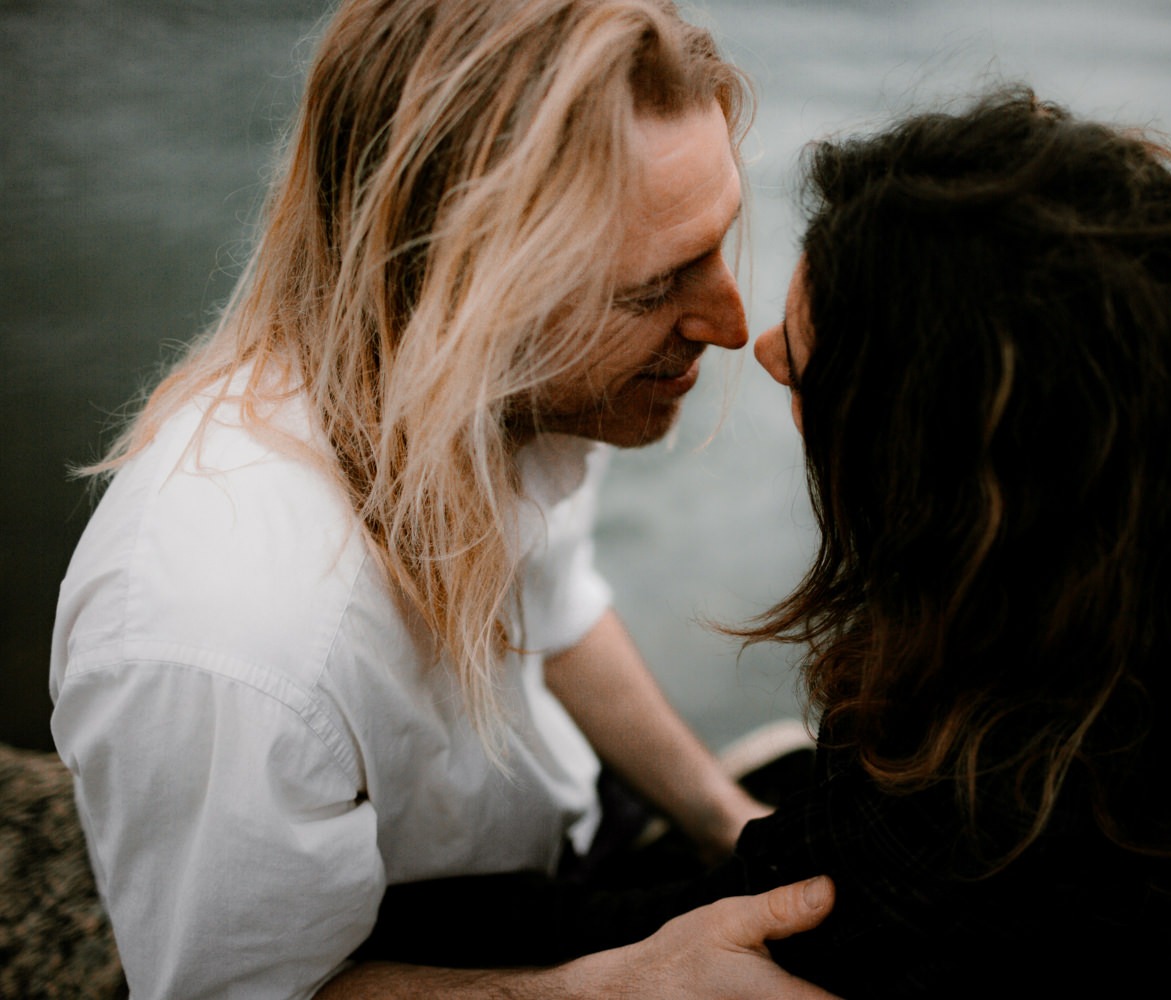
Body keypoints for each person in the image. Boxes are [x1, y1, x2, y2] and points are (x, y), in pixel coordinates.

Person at [404, 86, 1171, 994]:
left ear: (931, 479)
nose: (760, 343)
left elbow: (661, 934)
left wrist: (351, 945)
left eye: (806, 374)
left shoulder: (972, 819)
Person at [48, 1, 836, 997]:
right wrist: (627, 984)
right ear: (458, 288)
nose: (733, 326)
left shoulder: (504, 394)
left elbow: (553, 613)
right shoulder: (228, 638)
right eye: (652, 289)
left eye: (720, 240)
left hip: (559, 846)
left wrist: (726, 824)